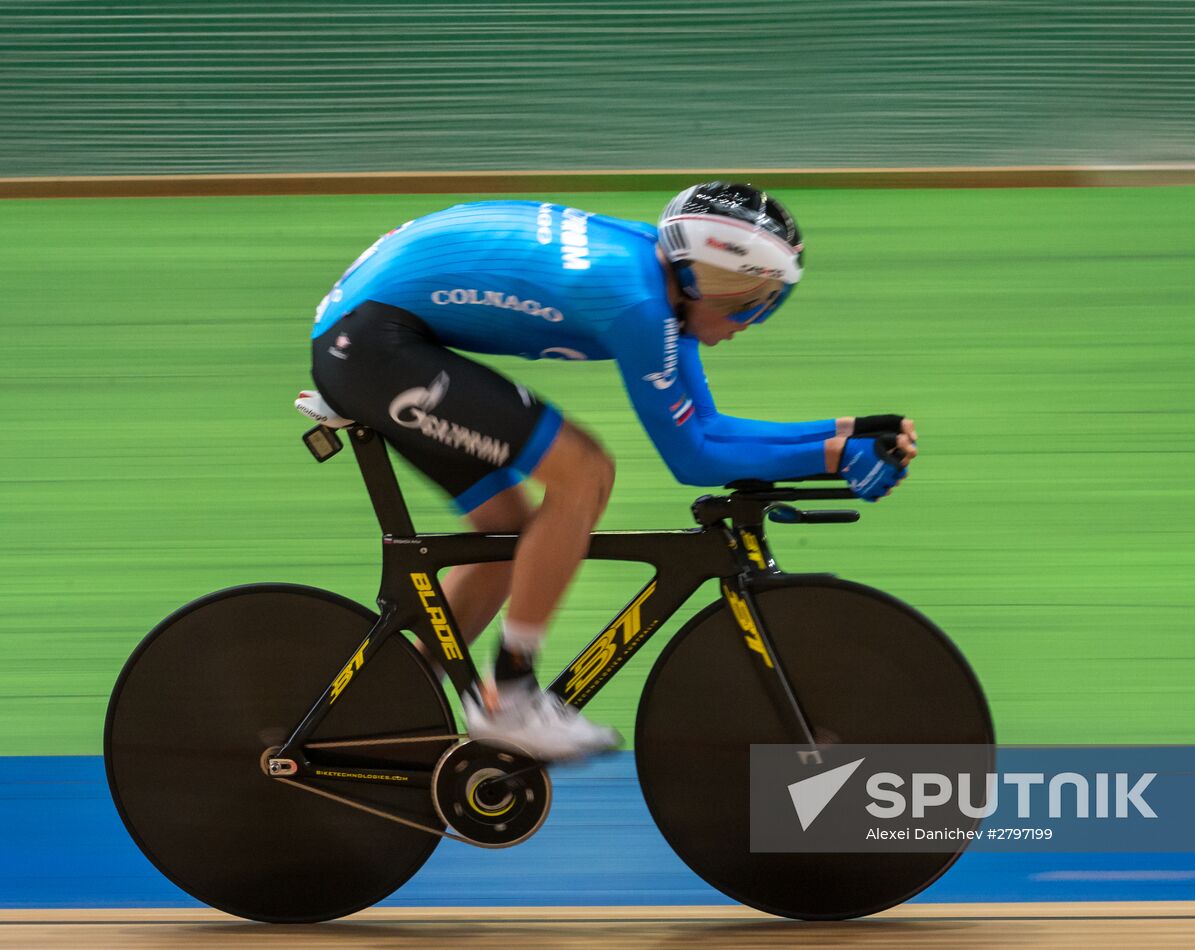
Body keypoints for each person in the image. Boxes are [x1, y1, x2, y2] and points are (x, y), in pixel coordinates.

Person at [308, 182, 917, 760]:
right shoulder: (637, 303)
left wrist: (848, 433)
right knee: (585, 472)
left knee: (506, 537)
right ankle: (512, 697)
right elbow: (694, 458)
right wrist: (836, 456)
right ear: (712, 283)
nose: (749, 324)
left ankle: (382, 707)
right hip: (370, 347)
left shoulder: (659, 279)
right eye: (753, 305)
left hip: (373, 334)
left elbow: (706, 425)